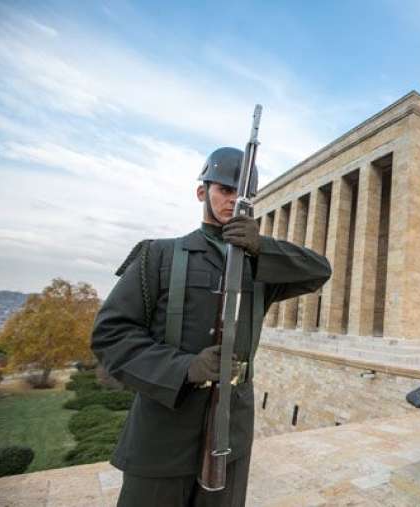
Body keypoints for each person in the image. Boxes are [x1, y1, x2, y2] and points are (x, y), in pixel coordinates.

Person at [91, 147, 332, 507]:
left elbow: (319, 271)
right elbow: (111, 335)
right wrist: (185, 367)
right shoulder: (158, 255)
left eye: (243, 195)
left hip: (229, 433)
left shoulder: (258, 265)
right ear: (202, 192)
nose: (234, 200)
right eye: (225, 190)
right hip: (163, 435)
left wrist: (260, 248)